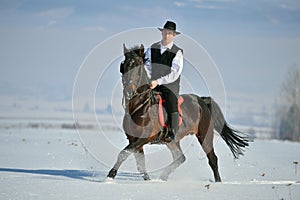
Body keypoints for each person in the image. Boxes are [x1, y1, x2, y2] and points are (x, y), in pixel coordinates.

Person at [144, 20, 183, 142]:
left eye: (170, 33)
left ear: (174, 35)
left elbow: (174, 73)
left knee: (171, 103)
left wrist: (158, 81)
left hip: (169, 86)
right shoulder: (152, 48)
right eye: (165, 32)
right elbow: (147, 65)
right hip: (152, 83)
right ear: (162, 32)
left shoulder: (177, 52)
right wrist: (151, 79)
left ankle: (172, 133)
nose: (167, 35)